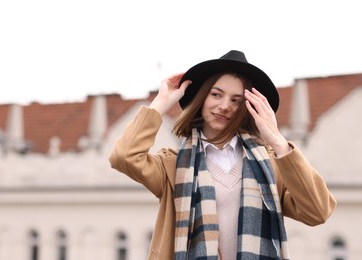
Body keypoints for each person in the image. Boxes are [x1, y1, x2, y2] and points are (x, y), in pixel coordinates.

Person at [109, 50, 336, 260]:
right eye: (216, 94)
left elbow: (317, 211)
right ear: (202, 98)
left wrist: (277, 140)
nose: (225, 106)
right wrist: (161, 103)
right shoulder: (173, 166)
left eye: (236, 100)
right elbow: (124, 157)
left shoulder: (271, 166)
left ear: (247, 107)